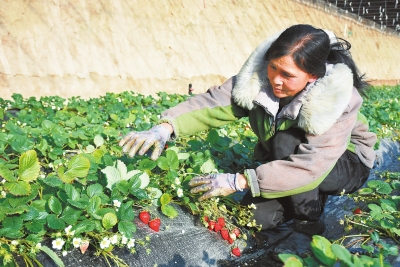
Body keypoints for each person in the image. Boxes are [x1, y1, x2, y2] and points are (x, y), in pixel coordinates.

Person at [119, 24, 376, 249]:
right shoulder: (257, 80)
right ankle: (298, 198)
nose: (276, 80)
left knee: (286, 142)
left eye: (287, 75)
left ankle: (309, 223)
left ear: (313, 76)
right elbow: (214, 102)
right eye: (273, 67)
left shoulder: (337, 100)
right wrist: (165, 127)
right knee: (257, 218)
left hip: (345, 162)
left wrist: (239, 181)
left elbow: (313, 166)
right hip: (291, 157)